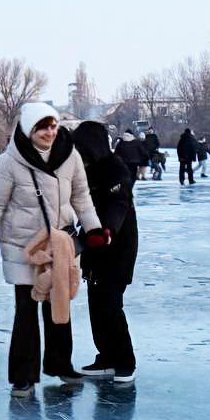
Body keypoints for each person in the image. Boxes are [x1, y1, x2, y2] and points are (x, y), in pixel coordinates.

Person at [0, 102, 107, 398]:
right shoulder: (10, 161)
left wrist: (94, 228)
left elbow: (82, 197)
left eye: (53, 126)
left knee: (58, 303)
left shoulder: (69, 155)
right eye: (43, 126)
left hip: (60, 243)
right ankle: (23, 376)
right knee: (26, 308)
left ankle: (61, 364)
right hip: (23, 246)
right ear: (29, 128)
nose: (50, 132)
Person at [72, 121, 138, 382]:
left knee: (110, 305)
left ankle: (124, 362)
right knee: (96, 306)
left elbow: (118, 204)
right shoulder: (83, 171)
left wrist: (107, 230)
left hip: (117, 247)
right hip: (94, 247)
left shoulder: (115, 168)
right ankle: (107, 357)